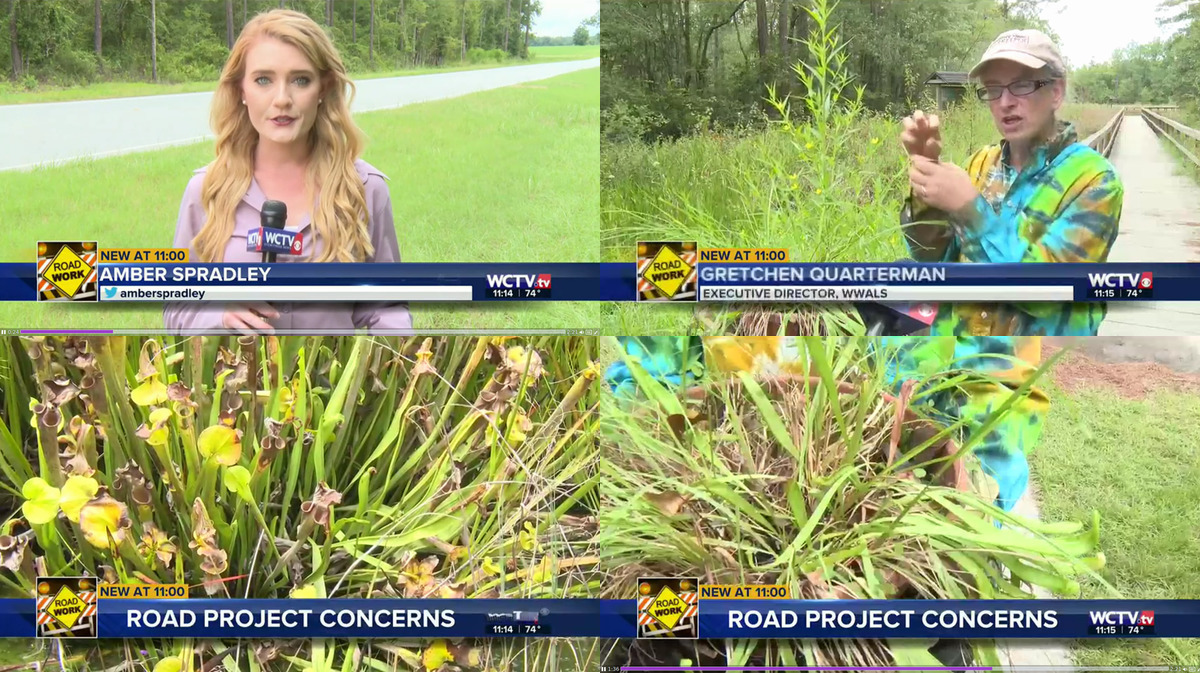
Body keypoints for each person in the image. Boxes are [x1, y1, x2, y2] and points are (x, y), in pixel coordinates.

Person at [164, 9, 411, 335]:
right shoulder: (206, 190)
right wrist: (219, 313)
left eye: (300, 80)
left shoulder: (365, 189)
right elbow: (177, 307)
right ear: (241, 89)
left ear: (324, 87)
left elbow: (386, 307)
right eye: (263, 79)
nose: (282, 99)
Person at [607, 336, 1049, 513]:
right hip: (715, 510)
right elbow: (650, 377)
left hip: (901, 518)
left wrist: (967, 498)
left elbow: (997, 399)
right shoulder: (688, 255)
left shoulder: (935, 254)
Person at [900, 29, 1124, 337]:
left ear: (1056, 92)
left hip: (1036, 369)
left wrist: (970, 211)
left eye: (1021, 85)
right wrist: (926, 185)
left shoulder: (1094, 179)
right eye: (993, 89)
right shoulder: (980, 163)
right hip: (959, 354)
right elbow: (932, 257)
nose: (1005, 102)